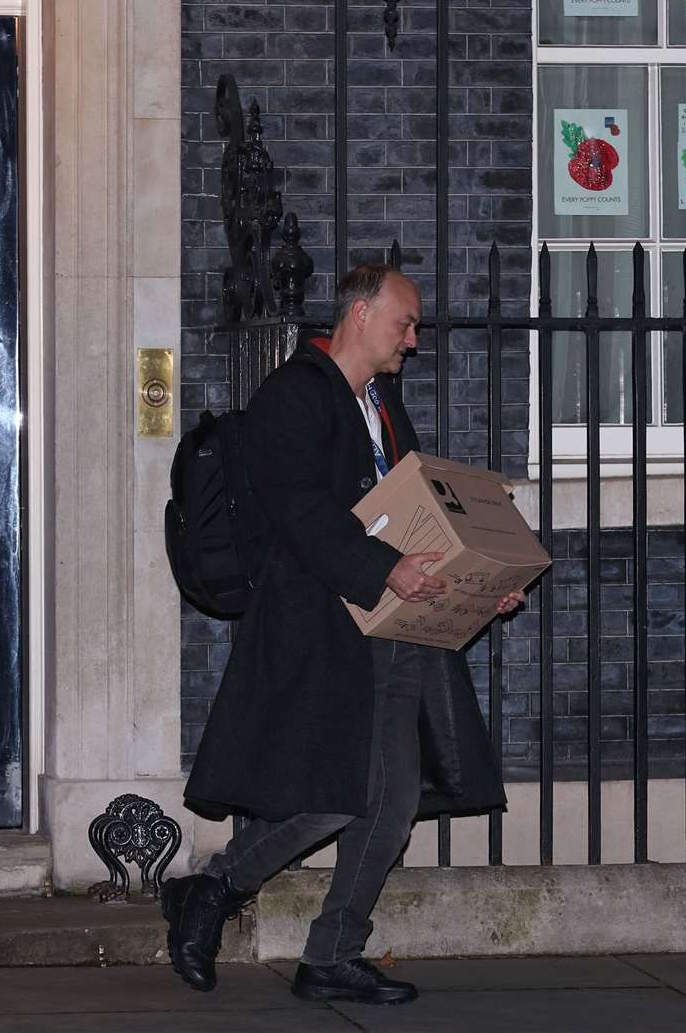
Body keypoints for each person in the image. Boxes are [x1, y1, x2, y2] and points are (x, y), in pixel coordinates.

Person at [163, 265, 520, 1006]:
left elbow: (421, 511)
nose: (413, 341)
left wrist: (481, 581)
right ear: (359, 314)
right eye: (405, 323)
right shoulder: (292, 397)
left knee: (387, 802)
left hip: (391, 628)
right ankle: (216, 886)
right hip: (323, 628)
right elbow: (301, 513)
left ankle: (331, 954)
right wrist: (384, 569)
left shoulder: (378, 402)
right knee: (343, 792)